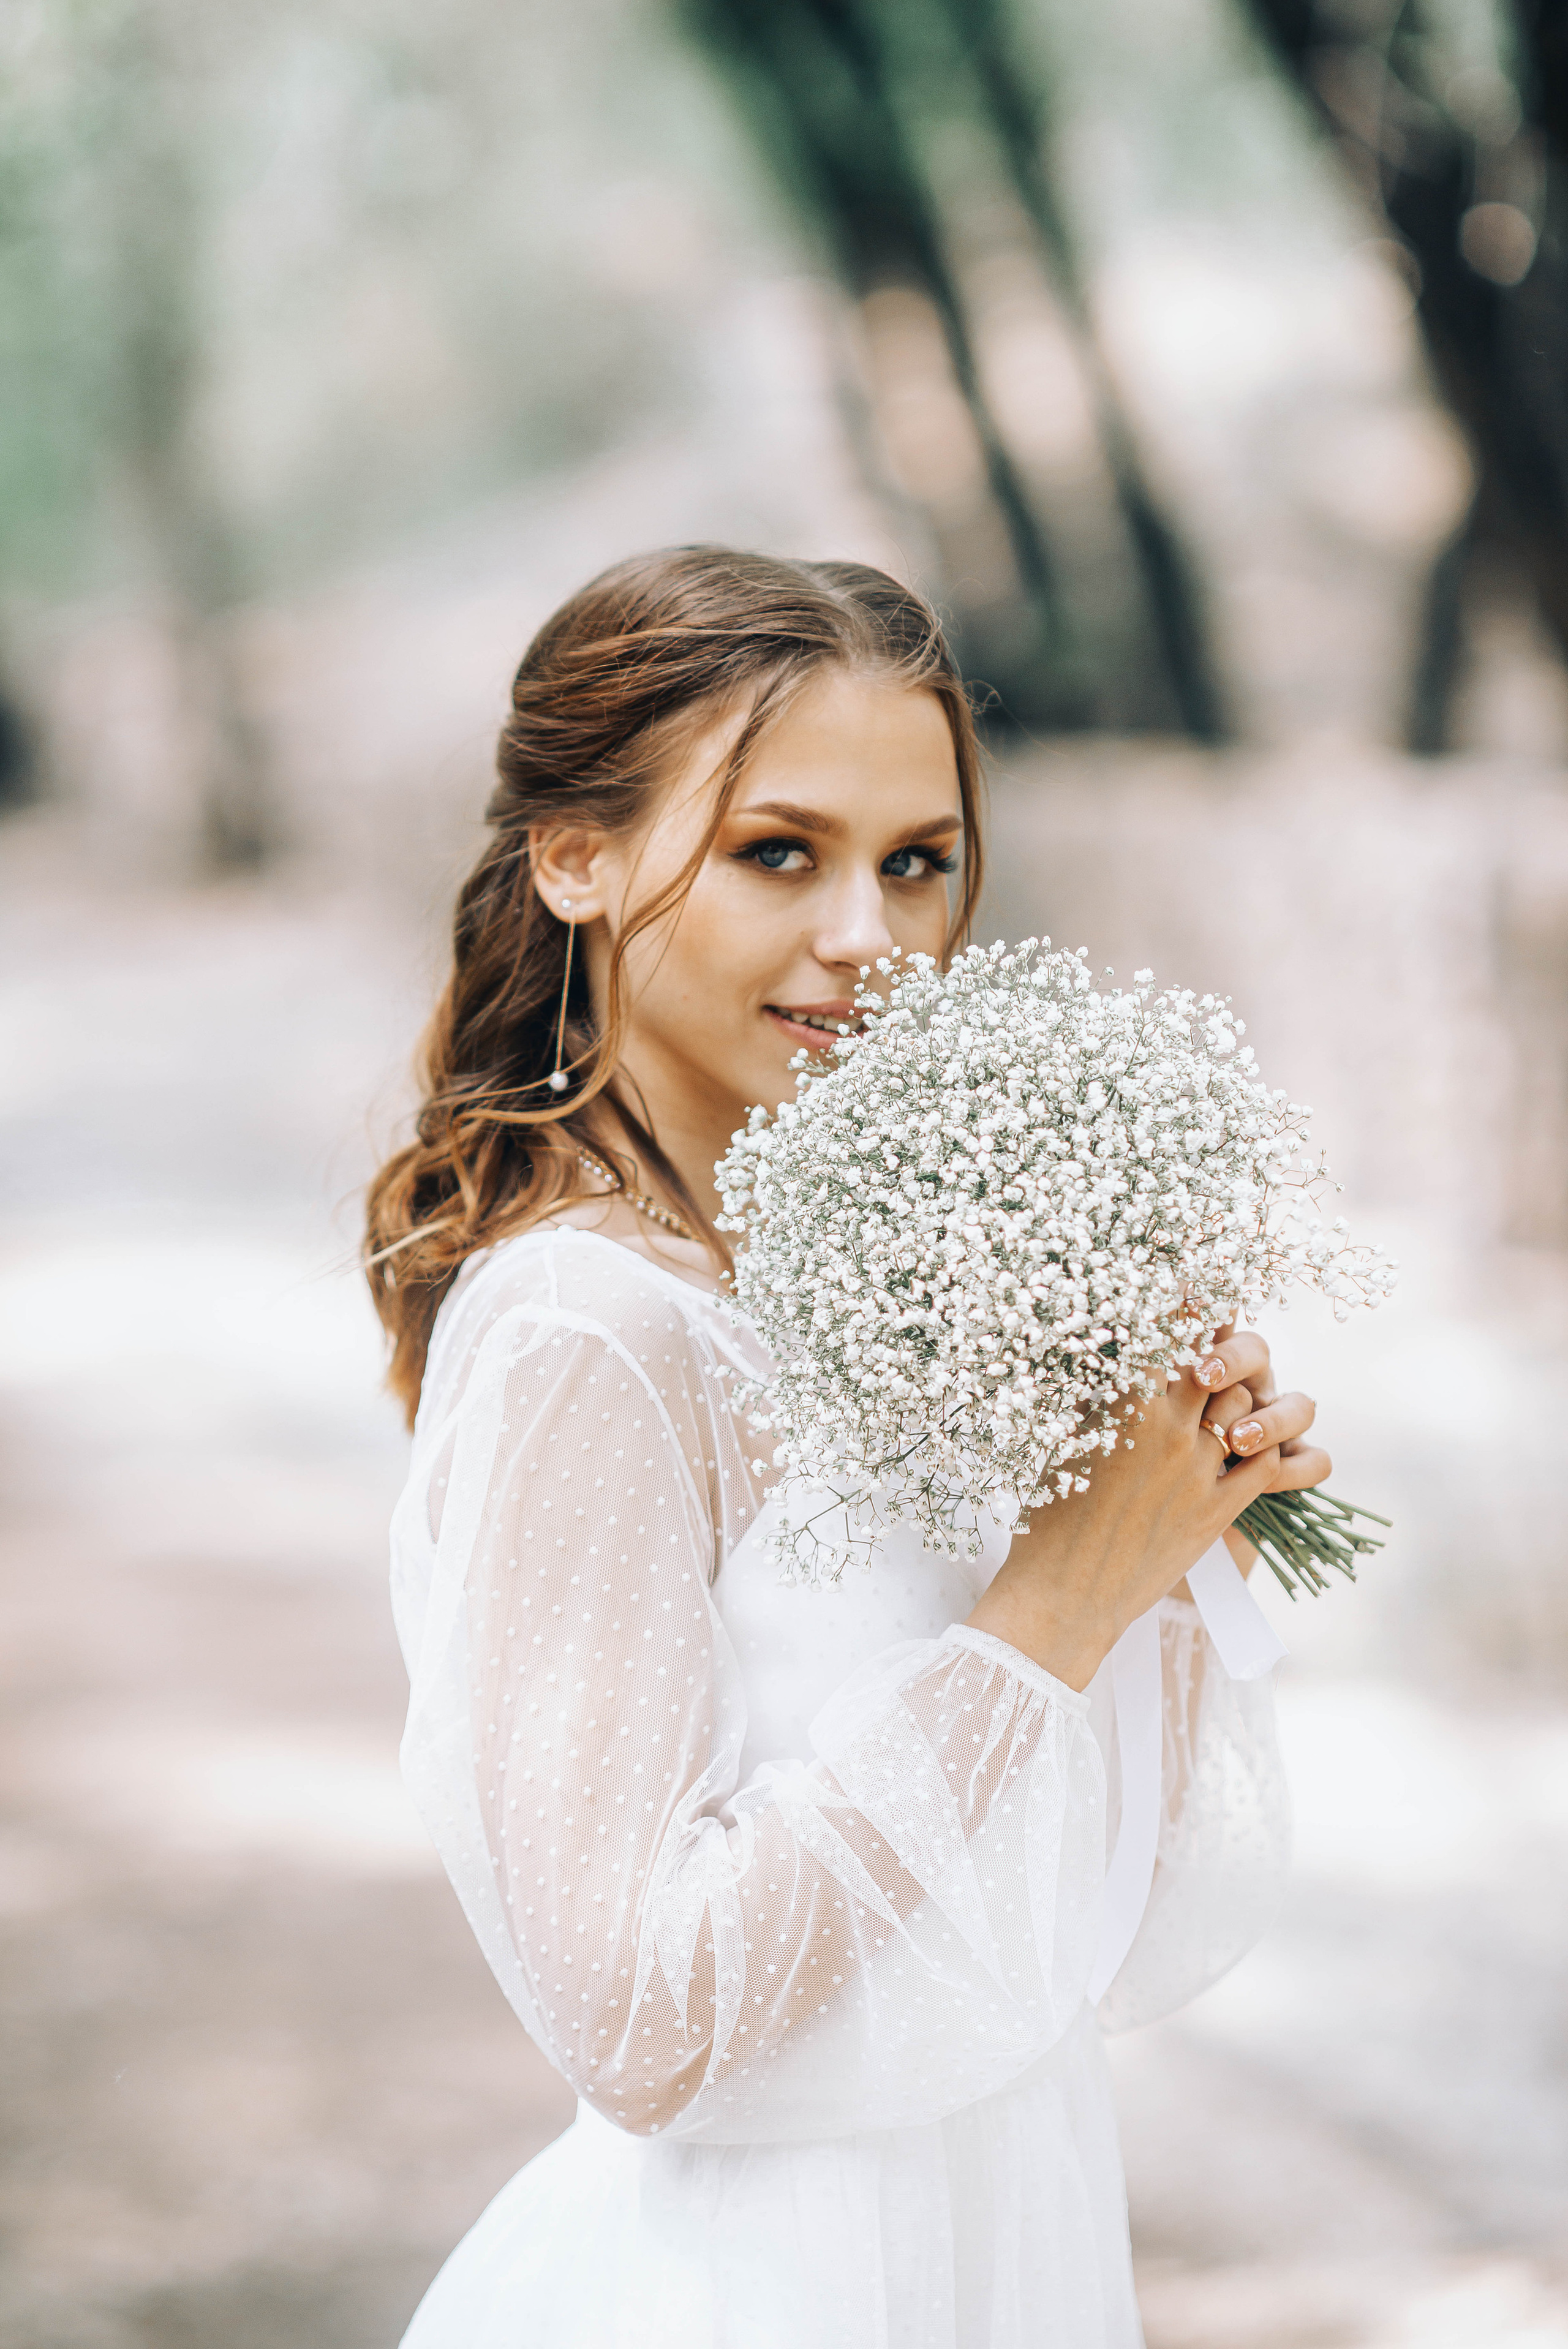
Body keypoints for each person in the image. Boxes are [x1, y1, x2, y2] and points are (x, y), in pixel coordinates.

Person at [365, 548, 1322, 2348]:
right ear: (574, 858)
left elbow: (1096, 1934)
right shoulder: (591, 1332)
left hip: (1007, 2242)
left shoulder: (879, 1287)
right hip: (750, 2289)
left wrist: (1165, 1533)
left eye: (918, 863)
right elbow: (641, 2024)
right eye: (778, 853)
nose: (871, 938)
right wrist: (1049, 1607)